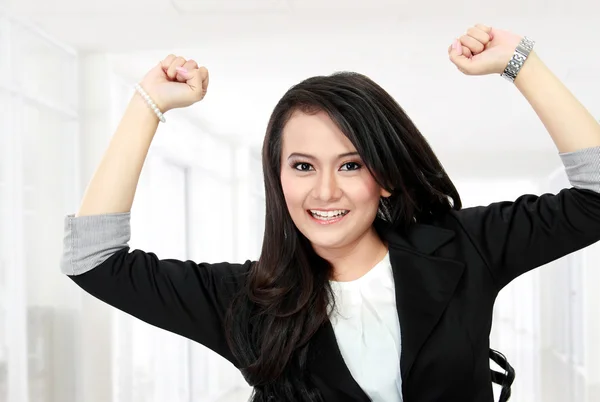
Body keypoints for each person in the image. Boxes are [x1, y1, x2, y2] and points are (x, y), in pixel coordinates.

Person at [60, 23, 600, 402]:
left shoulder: (464, 246)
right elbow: (93, 259)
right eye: (301, 166)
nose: (324, 192)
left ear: (385, 177)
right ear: (277, 178)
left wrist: (520, 62)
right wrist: (146, 105)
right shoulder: (246, 304)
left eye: (350, 165)